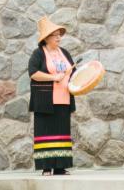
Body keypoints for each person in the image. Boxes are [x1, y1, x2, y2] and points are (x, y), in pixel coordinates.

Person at [28, 16, 76, 175]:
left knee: (62, 132)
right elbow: (33, 73)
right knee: (46, 132)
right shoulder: (38, 53)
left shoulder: (65, 53)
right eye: (54, 35)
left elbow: (73, 73)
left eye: (59, 34)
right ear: (46, 38)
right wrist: (53, 77)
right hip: (45, 101)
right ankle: (46, 167)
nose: (58, 37)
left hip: (64, 99)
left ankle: (60, 167)